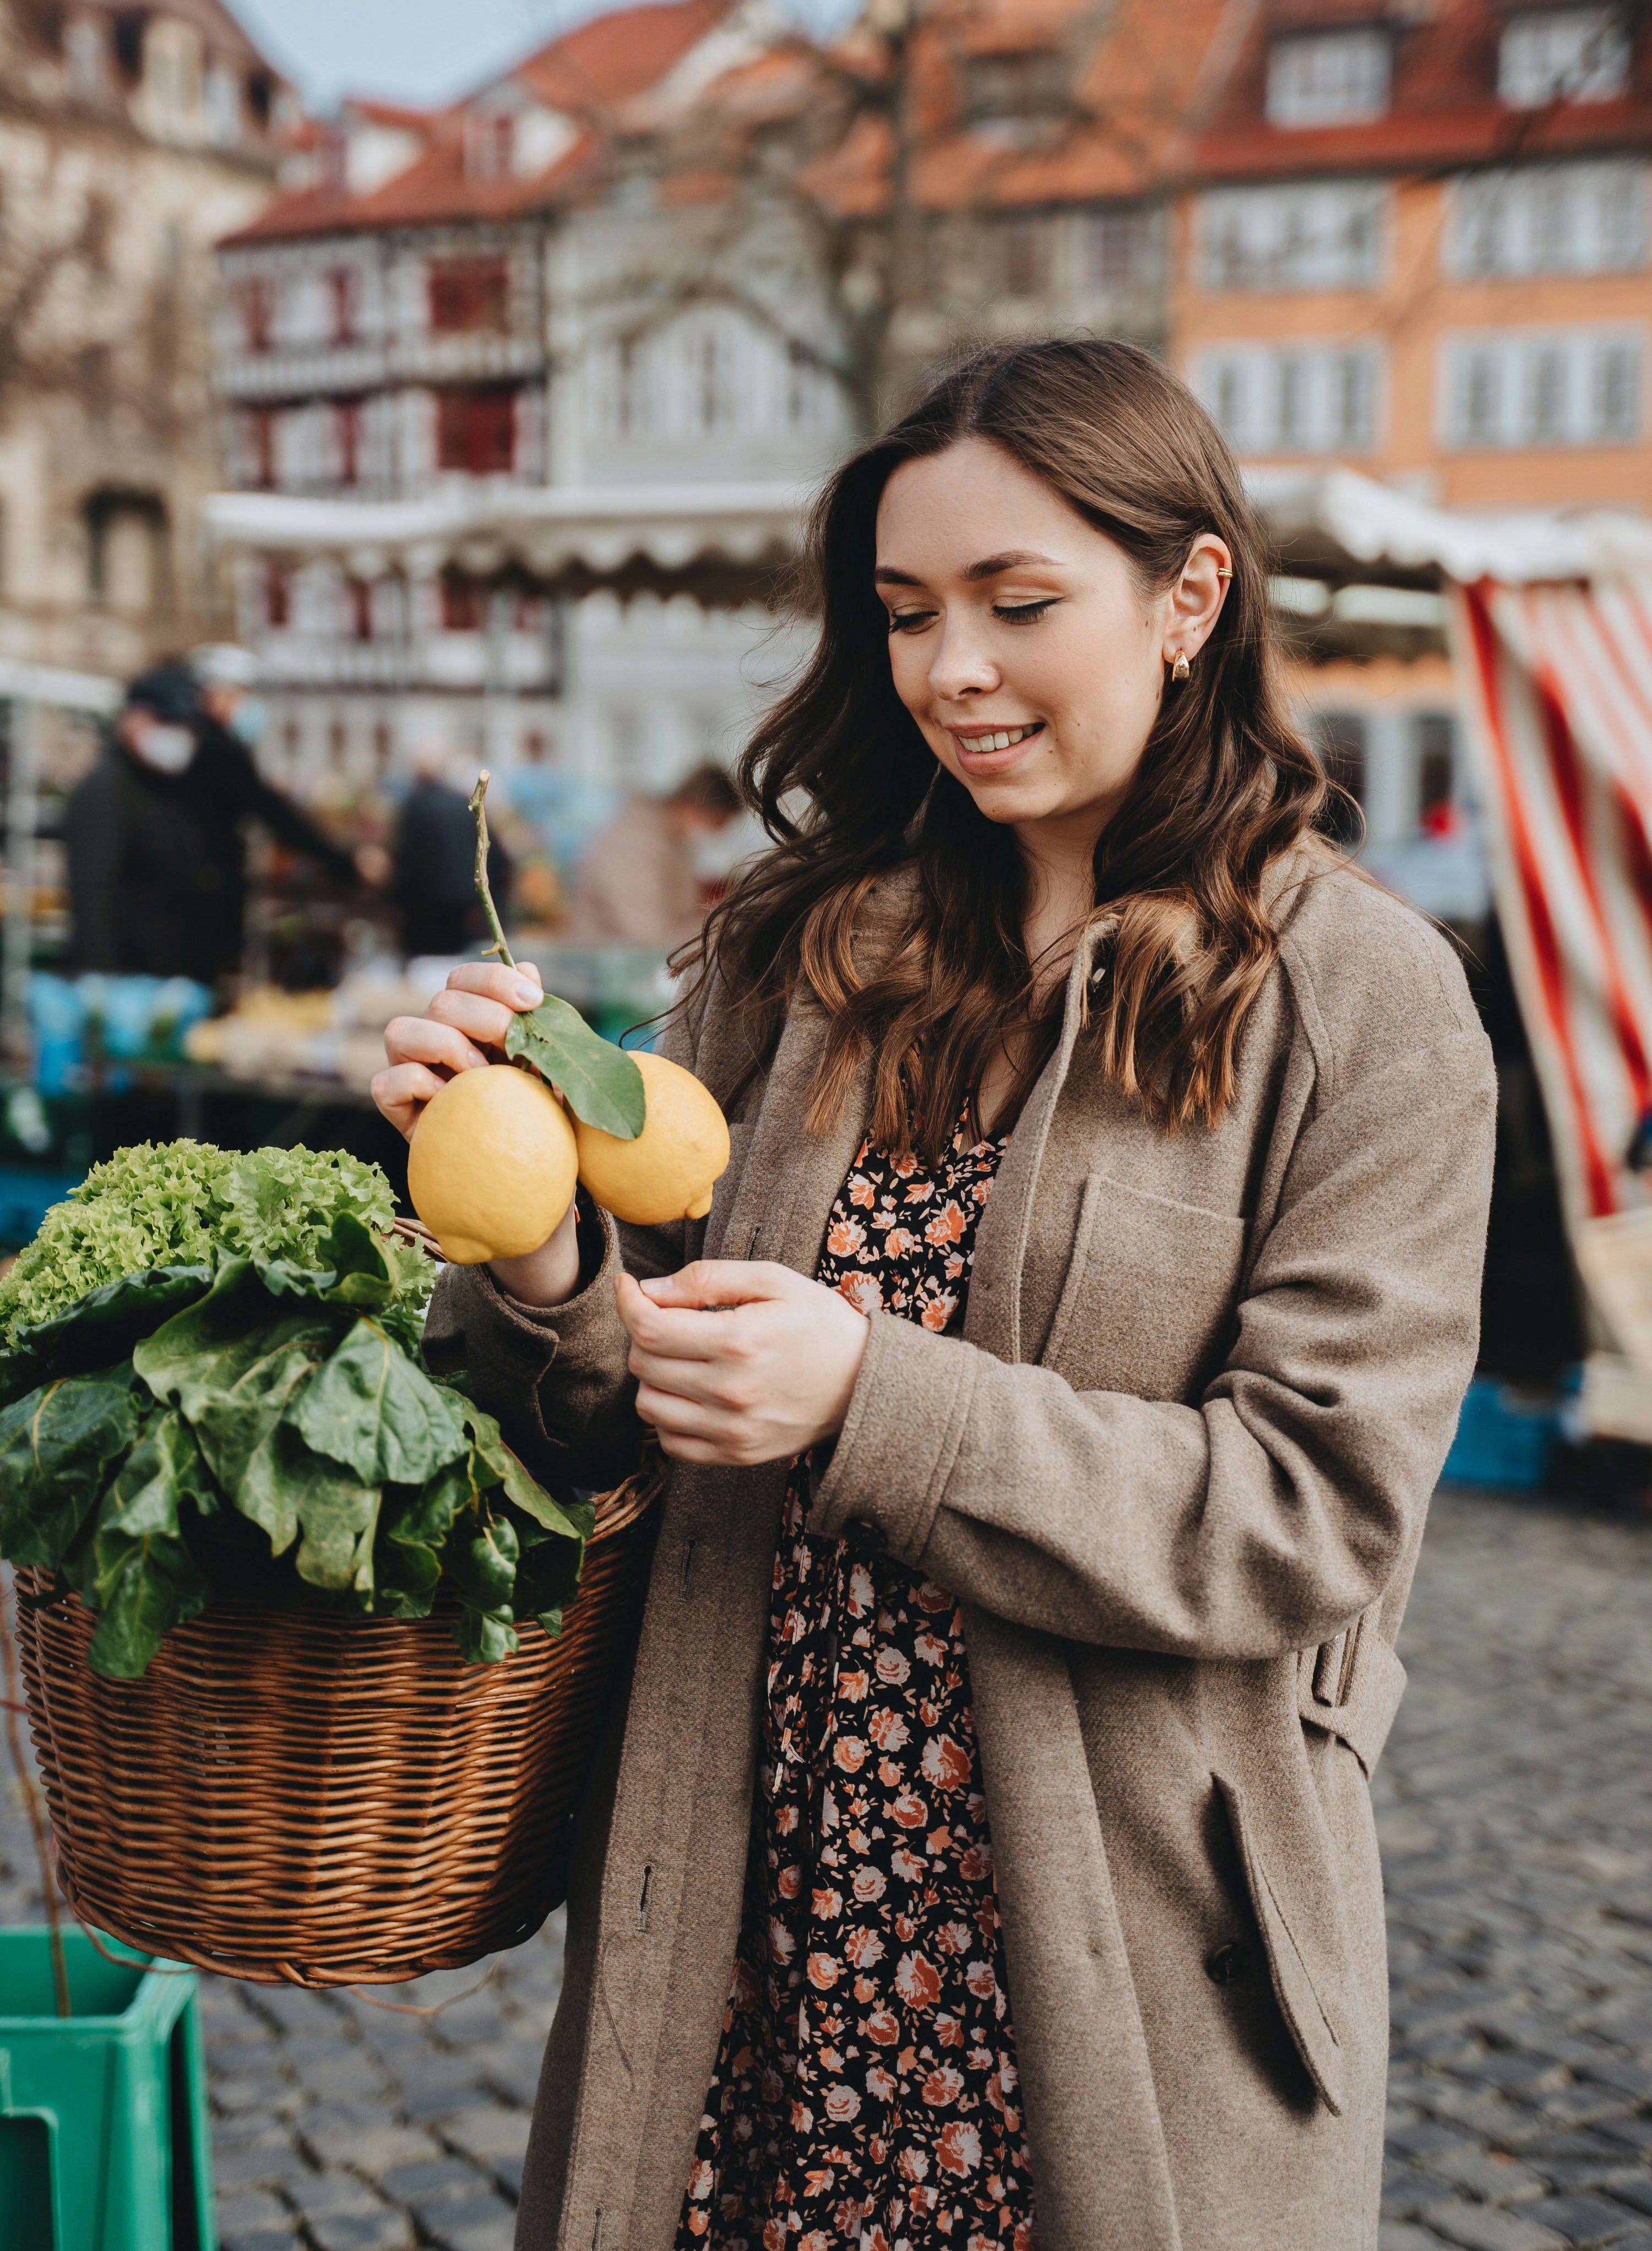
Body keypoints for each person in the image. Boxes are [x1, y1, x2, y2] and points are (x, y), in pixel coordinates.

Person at [374, 341, 1496, 2251]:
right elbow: (598, 1420)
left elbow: (1314, 1513)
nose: (949, 670)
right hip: (755, 1919)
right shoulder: (797, 949)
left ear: (1190, 596)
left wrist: (865, 1401)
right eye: (905, 615)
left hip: (1106, 1961)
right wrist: (542, 1250)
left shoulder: (1363, 997)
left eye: (1016, 604)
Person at [65, 660, 361, 985]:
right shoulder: (108, 789)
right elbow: (95, 892)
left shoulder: (163, 782)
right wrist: (102, 982)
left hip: (176, 966)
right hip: (139, 976)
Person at [566, 762, 742, 947]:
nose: (719, 833)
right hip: (612, 966)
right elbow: (651, 936)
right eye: (718, 823)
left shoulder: (670, 838)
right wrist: (728, 923)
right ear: (692, 807)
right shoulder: (636, 840)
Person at [388, 751, 510, 963]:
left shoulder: (415, 807)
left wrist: (396, 900)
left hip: (426, 912)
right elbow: (496, 855)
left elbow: (407, 861)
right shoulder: (463, 803)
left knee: (427, 967)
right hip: (467, 907)